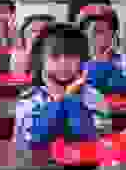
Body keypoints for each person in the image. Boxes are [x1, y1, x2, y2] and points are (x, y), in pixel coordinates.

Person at [13, 23, 107, 153]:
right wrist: (62, 100)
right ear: (41, 60)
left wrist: (70, 98)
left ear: (82, 61)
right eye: (55, 56)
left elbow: (90, 140)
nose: (63, 63)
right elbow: (35, 140)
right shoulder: (29, 100)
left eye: (71, 56)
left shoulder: (94, 97)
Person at [81, 8, 126, 95]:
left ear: (113, 35)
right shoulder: (77, 61)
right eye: (87, 30)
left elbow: (124, 86)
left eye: (98, 31)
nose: (91, 35)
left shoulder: (124, 61)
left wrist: (102, 63)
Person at [10, 13, 55, 78]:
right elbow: (20, 78)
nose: (38, 35)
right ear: (23, 35)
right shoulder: (17, 55)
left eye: (44, 31)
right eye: (33, 30)